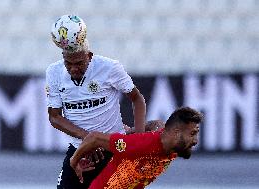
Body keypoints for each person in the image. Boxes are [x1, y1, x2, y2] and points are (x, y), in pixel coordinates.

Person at [46, 15, 146, 189]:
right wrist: (89, 140)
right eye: (68, 63)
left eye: (78, 63)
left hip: (115, 149)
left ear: (89, 56)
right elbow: (54, 117)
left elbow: (137, 99)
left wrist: (138, 139)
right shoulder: (54, 72)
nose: (73, 68)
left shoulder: (109, 68)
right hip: (81, 152)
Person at [70, 107, 203, 188]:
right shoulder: (139, 145)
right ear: (176, 132)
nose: (195, 141)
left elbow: (157, 124)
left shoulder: (171, 142)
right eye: (192, 134)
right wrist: (74, 161)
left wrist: (130, 131)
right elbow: (94, 138)